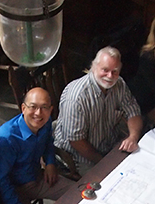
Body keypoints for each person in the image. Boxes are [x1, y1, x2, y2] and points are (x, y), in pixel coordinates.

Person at [54, 46, 142, 175]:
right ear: (94, 67)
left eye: (115, 71)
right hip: (79, 157)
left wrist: (133, 137)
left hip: (108, 143)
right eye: (105, 70)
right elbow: (76, 142)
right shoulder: (76, 97)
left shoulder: (119, 84)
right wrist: (105, 162)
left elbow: (133, 111)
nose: (110, 76)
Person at [0, 87, 74, 204]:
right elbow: (1, 181)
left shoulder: (45, 123)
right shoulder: (6, 139)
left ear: (51, 110)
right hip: (14, 191)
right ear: (23, 108)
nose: (38, 113)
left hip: (37, 178)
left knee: (77, 194)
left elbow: (48, 143)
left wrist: (50, 163)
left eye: (44, 108)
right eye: (33, 107)